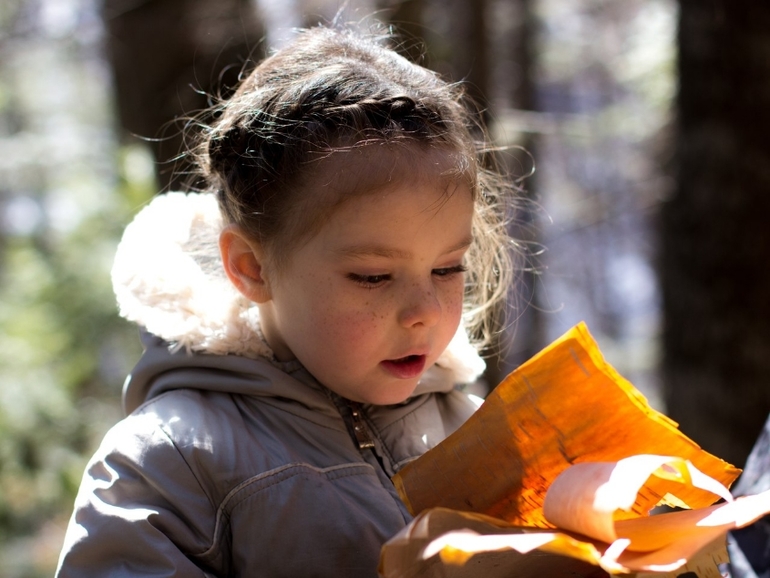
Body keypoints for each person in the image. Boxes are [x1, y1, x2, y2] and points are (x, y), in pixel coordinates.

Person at [55, 24, 519, 577]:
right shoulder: (168, 464)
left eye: (447, 268)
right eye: (372, 276)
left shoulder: (475, 433)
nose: (424, 310)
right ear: (252, 267)